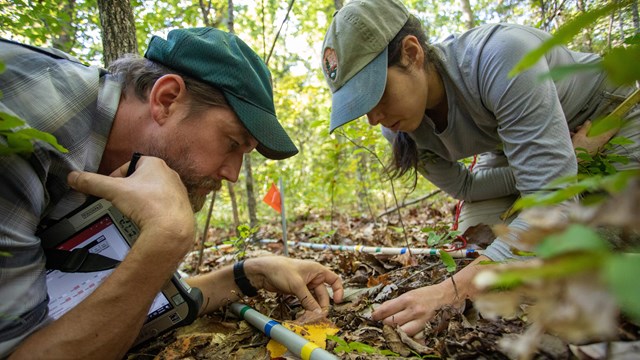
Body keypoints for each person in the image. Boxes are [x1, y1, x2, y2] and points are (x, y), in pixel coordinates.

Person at [0, 28, 344, 359]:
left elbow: (128, 301)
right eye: (232, 143)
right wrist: (165, 241)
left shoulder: (123, 163)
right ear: (166, 100)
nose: (233, 174)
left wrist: (251, 273)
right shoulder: (24, 132)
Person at [320, 0, 639, 337]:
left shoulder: (500, 57)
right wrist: (565, 161)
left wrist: (451, 290)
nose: (372, 119)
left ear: (412, 53)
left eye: (375, 94)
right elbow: (466, 188)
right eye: (359, 105)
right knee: (482, 240)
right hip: (515, 146)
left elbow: (552, 207)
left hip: (604, 119)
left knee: (601, 251)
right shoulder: (398, 126)